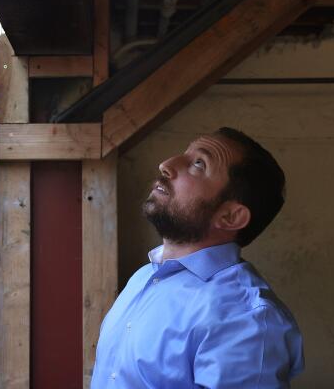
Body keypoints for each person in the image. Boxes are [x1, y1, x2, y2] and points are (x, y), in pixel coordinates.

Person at [91, 127, 304, 388]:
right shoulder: (145, 277)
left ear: (230, 217)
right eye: (185, 155)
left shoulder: (246, 319)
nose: (167, 165)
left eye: (198, 164)